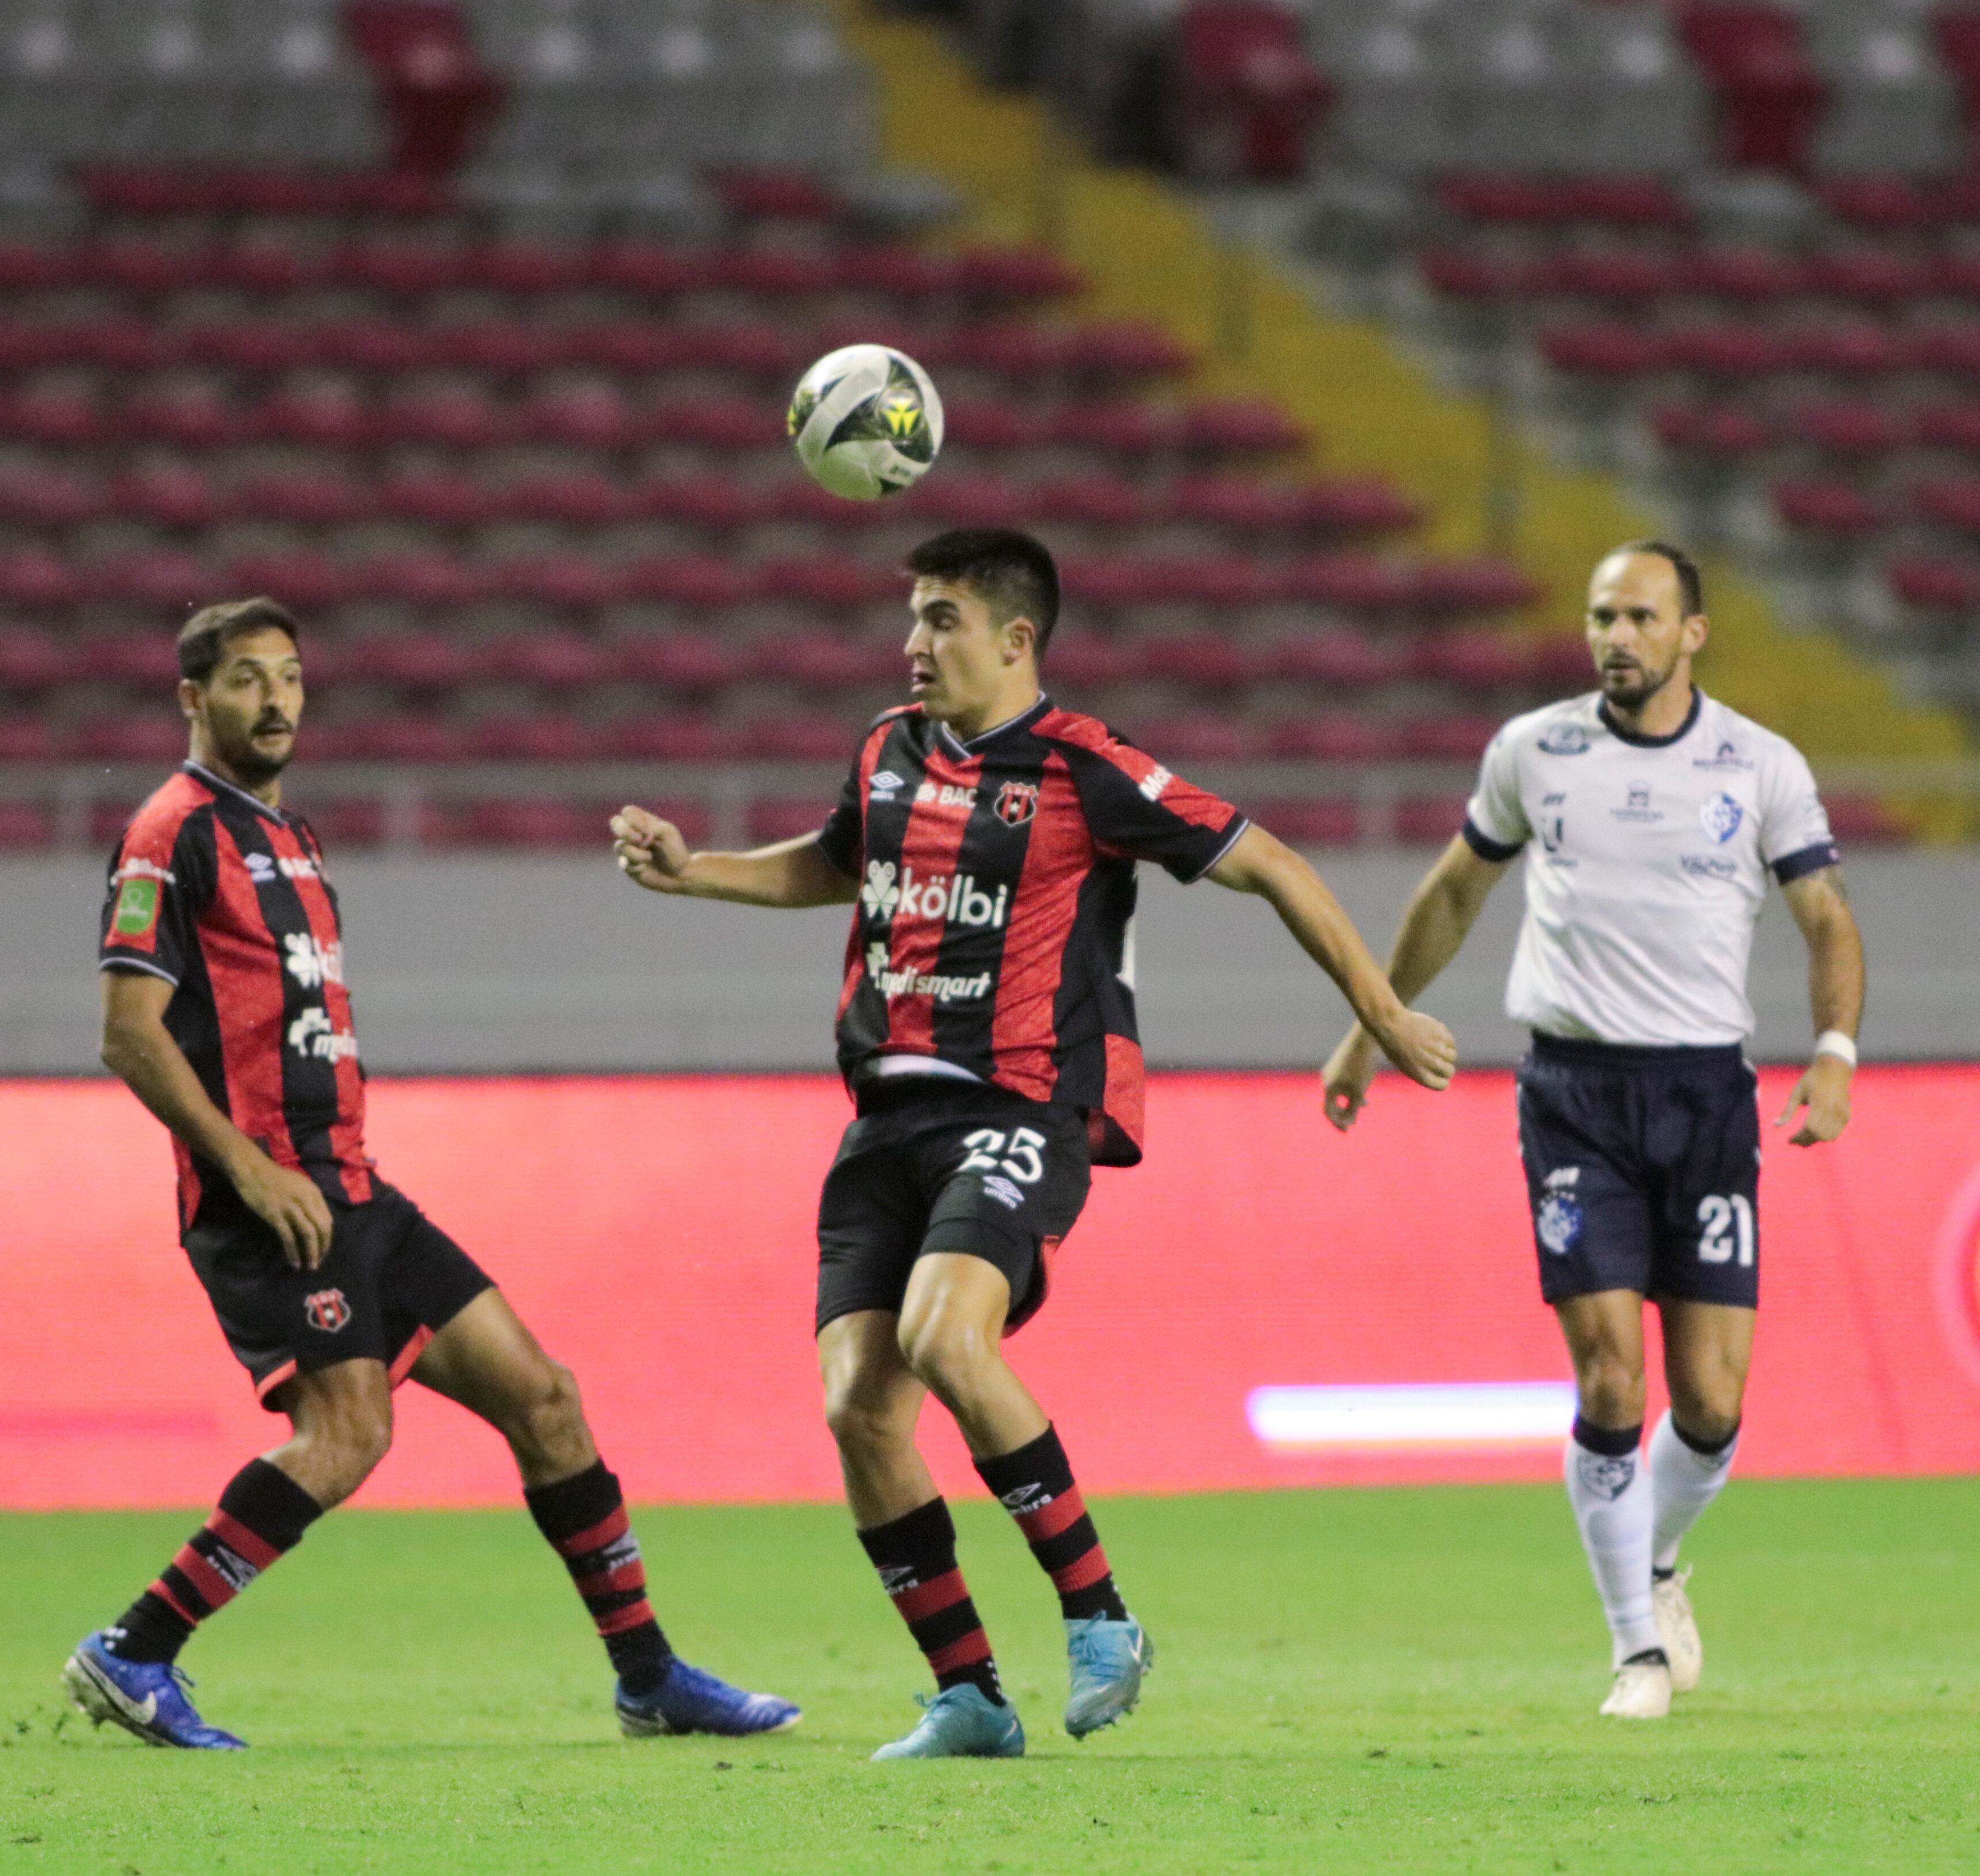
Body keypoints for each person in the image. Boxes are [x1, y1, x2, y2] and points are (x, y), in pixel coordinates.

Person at [612, 528, 1458, 1760]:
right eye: (911, 616)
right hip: (881, 1120)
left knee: (943, 1333)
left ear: (1016, 639)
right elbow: (839, 865)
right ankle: (968, 1695)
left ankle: (1100, 1614)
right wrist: (697, 873)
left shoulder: (1084, 768)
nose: (913, 641)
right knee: (857, 1406)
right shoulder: (883, 749)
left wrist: (1377, 1012)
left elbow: (1264, 858)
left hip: (1014, 1105)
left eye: (940, 616)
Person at [65, 597, 799, 1750]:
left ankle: (650, 1677)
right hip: (275, 1201)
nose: (277, 701)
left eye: (291, 678)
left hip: (352, 1186)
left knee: (545, 1398)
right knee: (350, 1431)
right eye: (249, 680)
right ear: (192, 699)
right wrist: (251, 1174)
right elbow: (128, 1030)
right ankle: (135, 1648)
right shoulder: (173, 829)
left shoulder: (288, 834)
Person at [1319, 540, 1865, 1721]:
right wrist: (1371, 1024)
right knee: (1610, 1372)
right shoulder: (1534, 749)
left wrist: (1833, 1054)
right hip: (1573, 1092)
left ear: (1692, 633)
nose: (1615, 634)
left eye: (1639, 615)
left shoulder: (1759, 764)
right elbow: (1456, 889)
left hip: (1707, 1098)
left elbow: (1826, 919)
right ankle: (1634, 1647)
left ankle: (1656, 1557)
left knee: (1711, 1401)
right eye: (1600, 614)